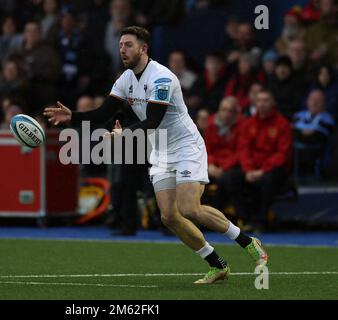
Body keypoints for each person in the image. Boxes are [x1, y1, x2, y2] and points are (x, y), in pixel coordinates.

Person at [44, 26, 268, 284]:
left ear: (143, 48)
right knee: (169, 216)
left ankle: (247, 240)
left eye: (128, 45)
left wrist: (124, 134)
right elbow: (104, 112)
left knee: (189, 208)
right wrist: (73, 116)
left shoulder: (162, 77)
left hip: (186, 145)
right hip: (160, 149)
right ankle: (217, 265)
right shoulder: (125, 79)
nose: (122, 50)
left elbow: (152, 121)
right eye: (120, 45)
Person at [238, 90, 292, 231]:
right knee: (232, 177)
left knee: (269, 179)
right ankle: (245, 219)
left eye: (266, 100)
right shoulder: (248, 123)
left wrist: (262, 171)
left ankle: (261, 220)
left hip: (272, 169)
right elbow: (243, 149)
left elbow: (282, 153)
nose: (262, 104)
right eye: (259, 100)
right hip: (252, 167)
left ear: (273, 103)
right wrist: (248, 169)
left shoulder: (282, 124)